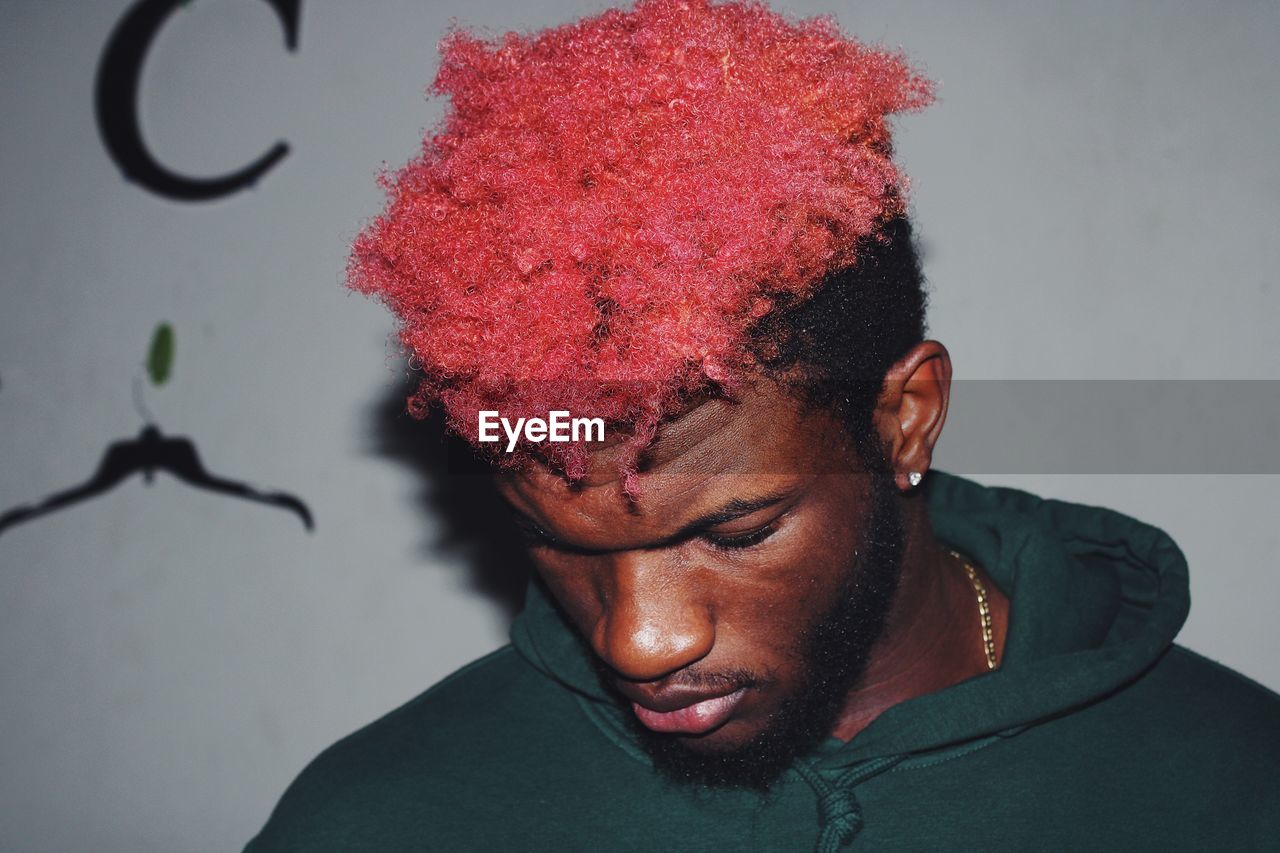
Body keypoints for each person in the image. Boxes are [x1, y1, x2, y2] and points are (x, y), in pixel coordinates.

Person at [246, 1, 1280, 849]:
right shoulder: (384, 819)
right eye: (560, 540)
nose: (640, 639)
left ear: (903, 420)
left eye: (732, 531)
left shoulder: (1232, 788)